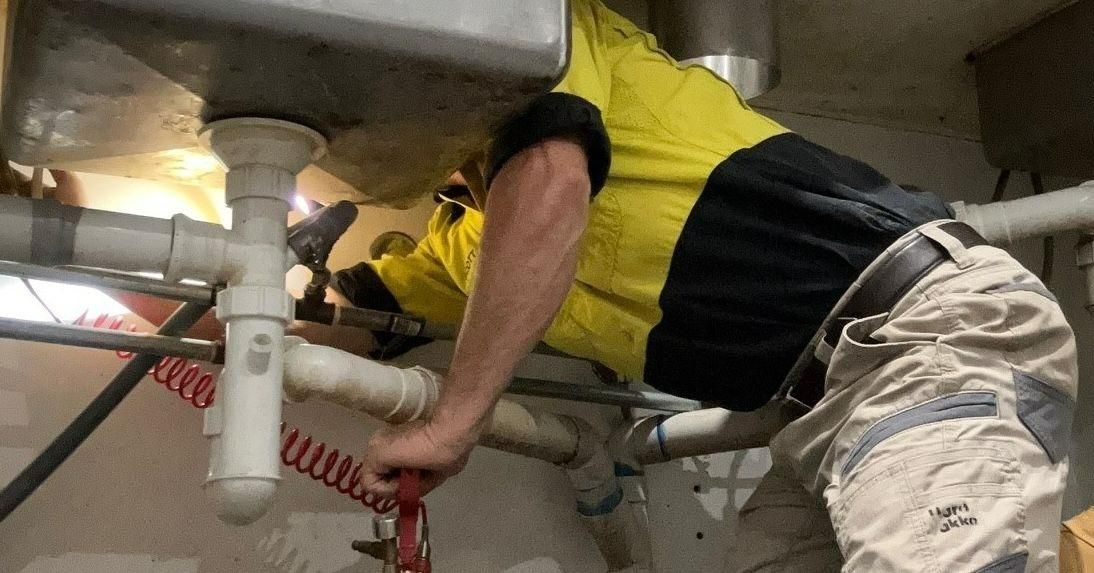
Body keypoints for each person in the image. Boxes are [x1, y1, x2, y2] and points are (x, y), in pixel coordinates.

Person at [333, 1, 1078, 570]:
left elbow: (549, 176)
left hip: (922, 337)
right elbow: (352, 315)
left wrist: (453, 419)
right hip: (821, 410)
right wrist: (247, 313)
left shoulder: (554, 43)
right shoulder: (463, 243)